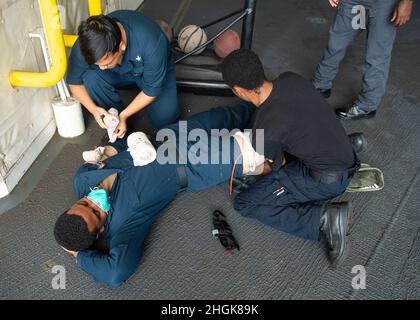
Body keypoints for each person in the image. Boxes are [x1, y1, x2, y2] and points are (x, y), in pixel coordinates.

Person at [54, 102, 268, 287]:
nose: (93, 200)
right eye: (95, 210)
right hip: (191, 165)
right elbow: (115, 273)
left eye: (84, 203)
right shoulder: (124, 225)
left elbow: (116, 152)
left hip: (169, 137)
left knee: (230, 114)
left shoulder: (82, 179)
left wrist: (120, 145)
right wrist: (79, 256)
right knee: (258, 151)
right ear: (100, 229)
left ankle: (265, 103)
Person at [221, 49, 366, 265]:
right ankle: (351, 142)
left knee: (245, 203)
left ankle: (324, 219)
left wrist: (253, 171)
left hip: (329, 181)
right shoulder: (290, 78)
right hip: (342, 153)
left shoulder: (263, 131)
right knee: (298, 128)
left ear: (239, 90)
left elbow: (279, 166)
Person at [66, 10, 180, 138]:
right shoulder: (86, 44)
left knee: (165, 119)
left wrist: (125, 115)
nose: (102, 68)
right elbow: (74, 82)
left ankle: (124, 117)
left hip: (151, 69)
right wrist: (94, 110)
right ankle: (118, 123)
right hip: (119, 71)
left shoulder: (152, 41)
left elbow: (151, 90)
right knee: (90, 77)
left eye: (106, 63)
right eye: (98, 64)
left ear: (122, 46)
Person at [313, 0, 414, 120]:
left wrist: (407, 2)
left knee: (376, 56)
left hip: (384, 4)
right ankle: (320, 85)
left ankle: (366, 106)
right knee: (336, 43)